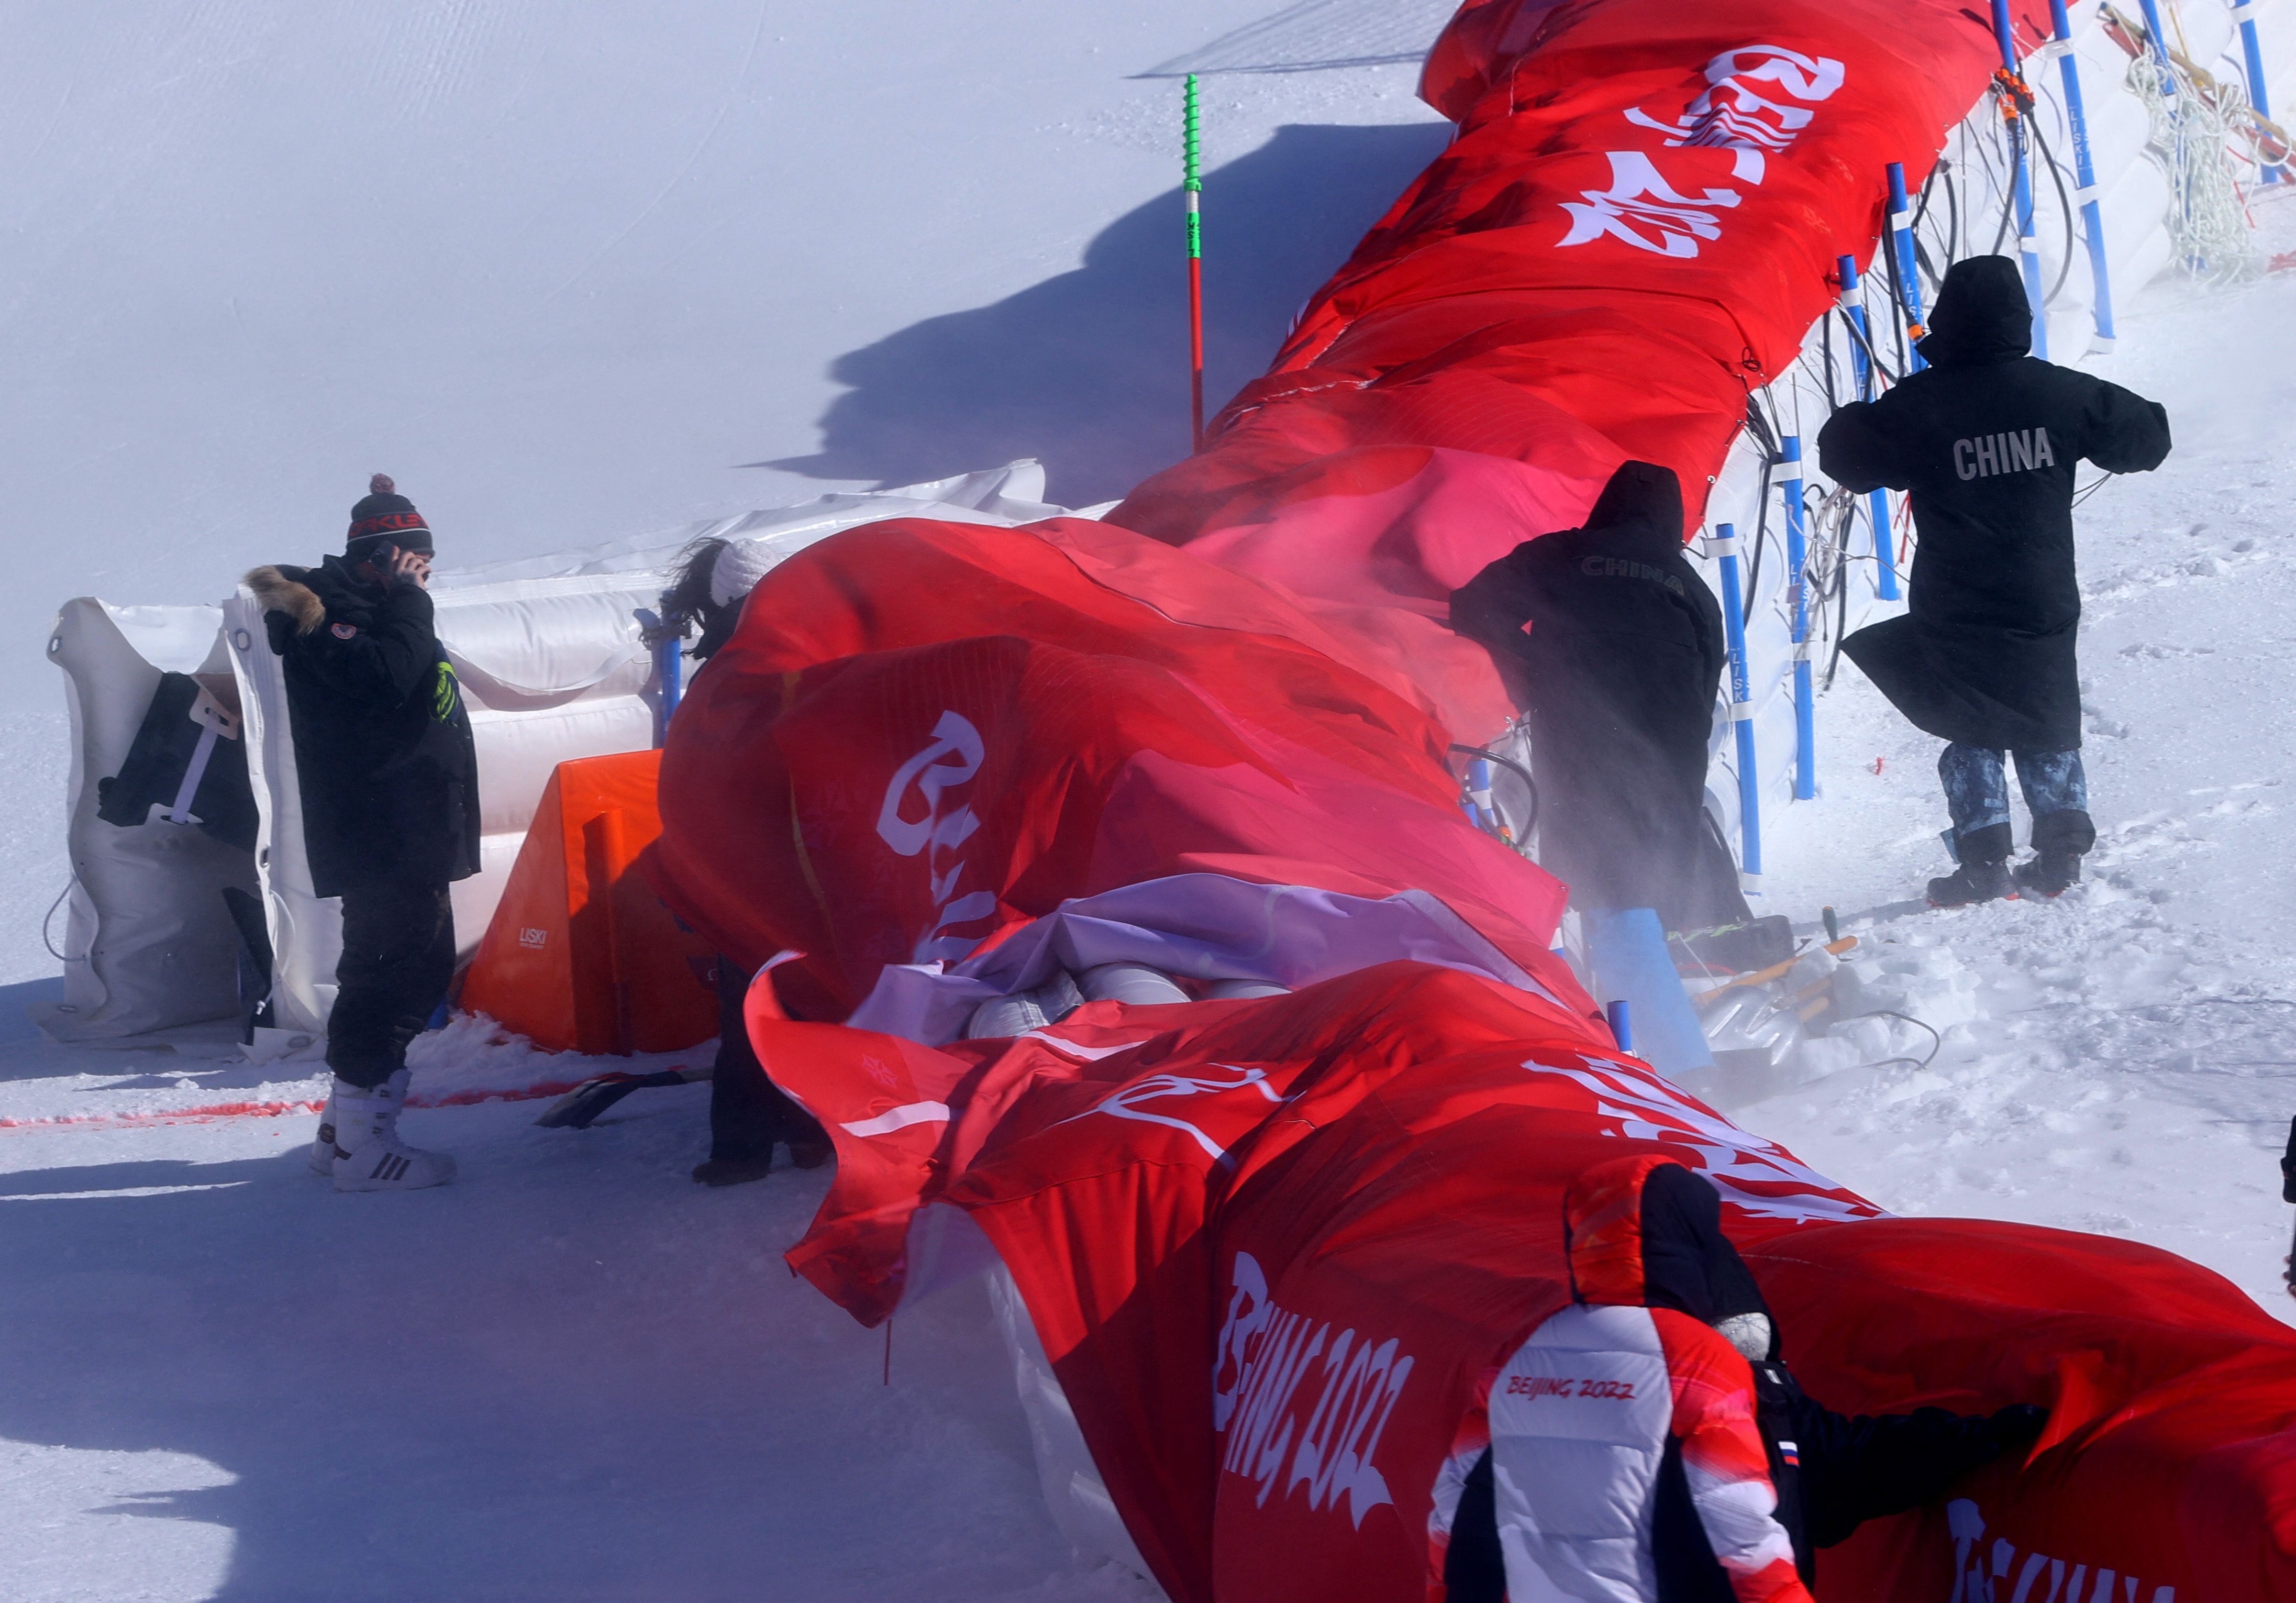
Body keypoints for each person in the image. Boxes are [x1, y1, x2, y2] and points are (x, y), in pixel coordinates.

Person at [1443, 1156, 2046, 1601]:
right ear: (1688, 1240)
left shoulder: (1520, 1356)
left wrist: (1965, 1441)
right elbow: (1743, 1535)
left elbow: (1451, 1525)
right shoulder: (1694, 1362)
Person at [1818, 255, 2172, 906]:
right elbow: (2146, 438)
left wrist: (1849, 414)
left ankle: (1981, 862)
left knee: (1970, 722)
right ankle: (2060, 853)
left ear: (1946, 321)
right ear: (2018, 321)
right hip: (2040, 590)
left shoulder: (1921, 405)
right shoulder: (2056, 392)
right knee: (2044, 716)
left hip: (1955, 597)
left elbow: (1847, 458)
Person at [247, 475, 479, 1192]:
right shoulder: (330, 619)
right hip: (384, 835)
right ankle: (361, 1147)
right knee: (393, 974)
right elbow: (392, 675)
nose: (425, 575)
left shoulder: (371, 610)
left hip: (408, 830)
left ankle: (342, 1135)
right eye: (416, 562)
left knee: (397, 968)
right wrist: (411, 600)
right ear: (385, 557)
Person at [1451, 460, 1773, 958]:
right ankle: (1682, 951)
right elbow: (1712, 671)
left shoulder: (1562, 553)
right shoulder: (1689, 582)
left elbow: (1473, 606)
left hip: (1582, 708)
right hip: (1674, 724)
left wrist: (1538, 667)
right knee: (1669, 826)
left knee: (1583, 823)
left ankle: (1601, 957)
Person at [648, 536, 831, 1186]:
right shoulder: (739, 668)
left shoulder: (751, 661)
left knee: (775, 1000)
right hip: (764, 859)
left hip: (764, 857)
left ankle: (781, 1138)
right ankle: (760, 1142)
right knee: (771, 1000)